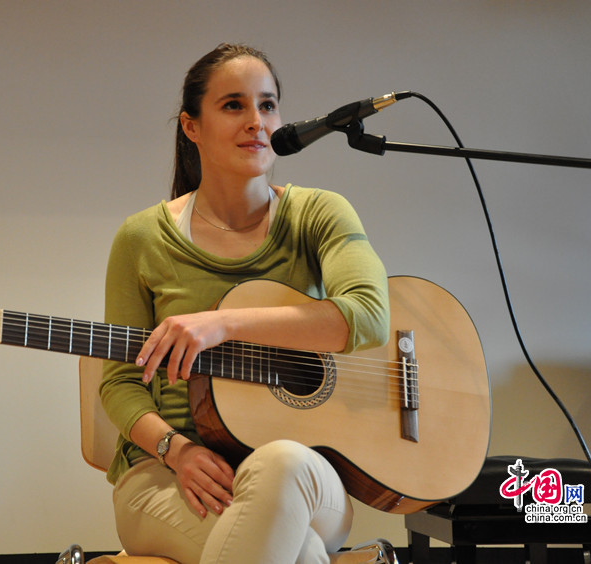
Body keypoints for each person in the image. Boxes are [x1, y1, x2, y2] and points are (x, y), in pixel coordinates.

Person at [99, 43, 390, 564]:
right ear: (191, 127)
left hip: (307, 475)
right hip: (168, 474)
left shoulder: (319, 214)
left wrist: (223, 324)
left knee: (283, 463)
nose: (257, 121)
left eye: (268, 105)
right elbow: (120, 382)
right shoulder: (141, 238)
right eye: (234, 105)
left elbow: (368, 316)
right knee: (301, 551)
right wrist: (176, 450)